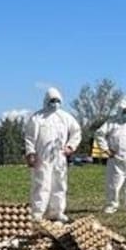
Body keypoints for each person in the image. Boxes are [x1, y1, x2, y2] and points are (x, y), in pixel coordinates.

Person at [24, 87, 81, 222]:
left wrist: (70, 146)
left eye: (57, 100)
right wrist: (31, 153)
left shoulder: (65, 117)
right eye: (52, 100)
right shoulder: (37, 117)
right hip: (41, 157)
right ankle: (38, 213)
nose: (55, 103)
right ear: (46, 101)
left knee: (59, 184)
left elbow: (76, 132)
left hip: (59, 157)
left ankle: (57, 212)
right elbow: (29, 137)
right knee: (41, 184)